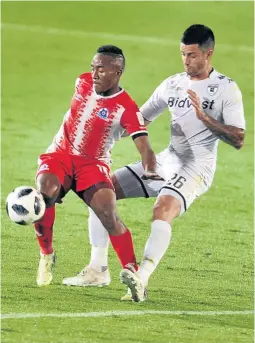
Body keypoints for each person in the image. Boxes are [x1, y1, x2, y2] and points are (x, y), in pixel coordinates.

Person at [62, 25, 246, 302]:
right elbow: (137, 120)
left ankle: (141, 278)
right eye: (183, 54)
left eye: (193, 55)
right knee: (102, 190)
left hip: (197, 166)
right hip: (168, 159)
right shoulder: (172, 84)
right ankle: (98, 269)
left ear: (209, 54)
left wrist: (204, 117)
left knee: (163, 209)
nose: (186, 61)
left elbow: (238, 138)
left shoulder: (225, 89)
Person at [35, 45, 163, 287]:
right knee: (43, 194)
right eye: (92, 68)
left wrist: (150, 169)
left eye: (101, 70)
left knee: (107, 212)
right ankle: (46, 254)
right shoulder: (82, 82)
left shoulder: (126, 107)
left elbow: (144, 146)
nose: (94, 74)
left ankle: (134, 277)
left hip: (92, 163)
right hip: (60, 154)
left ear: (117, 72)